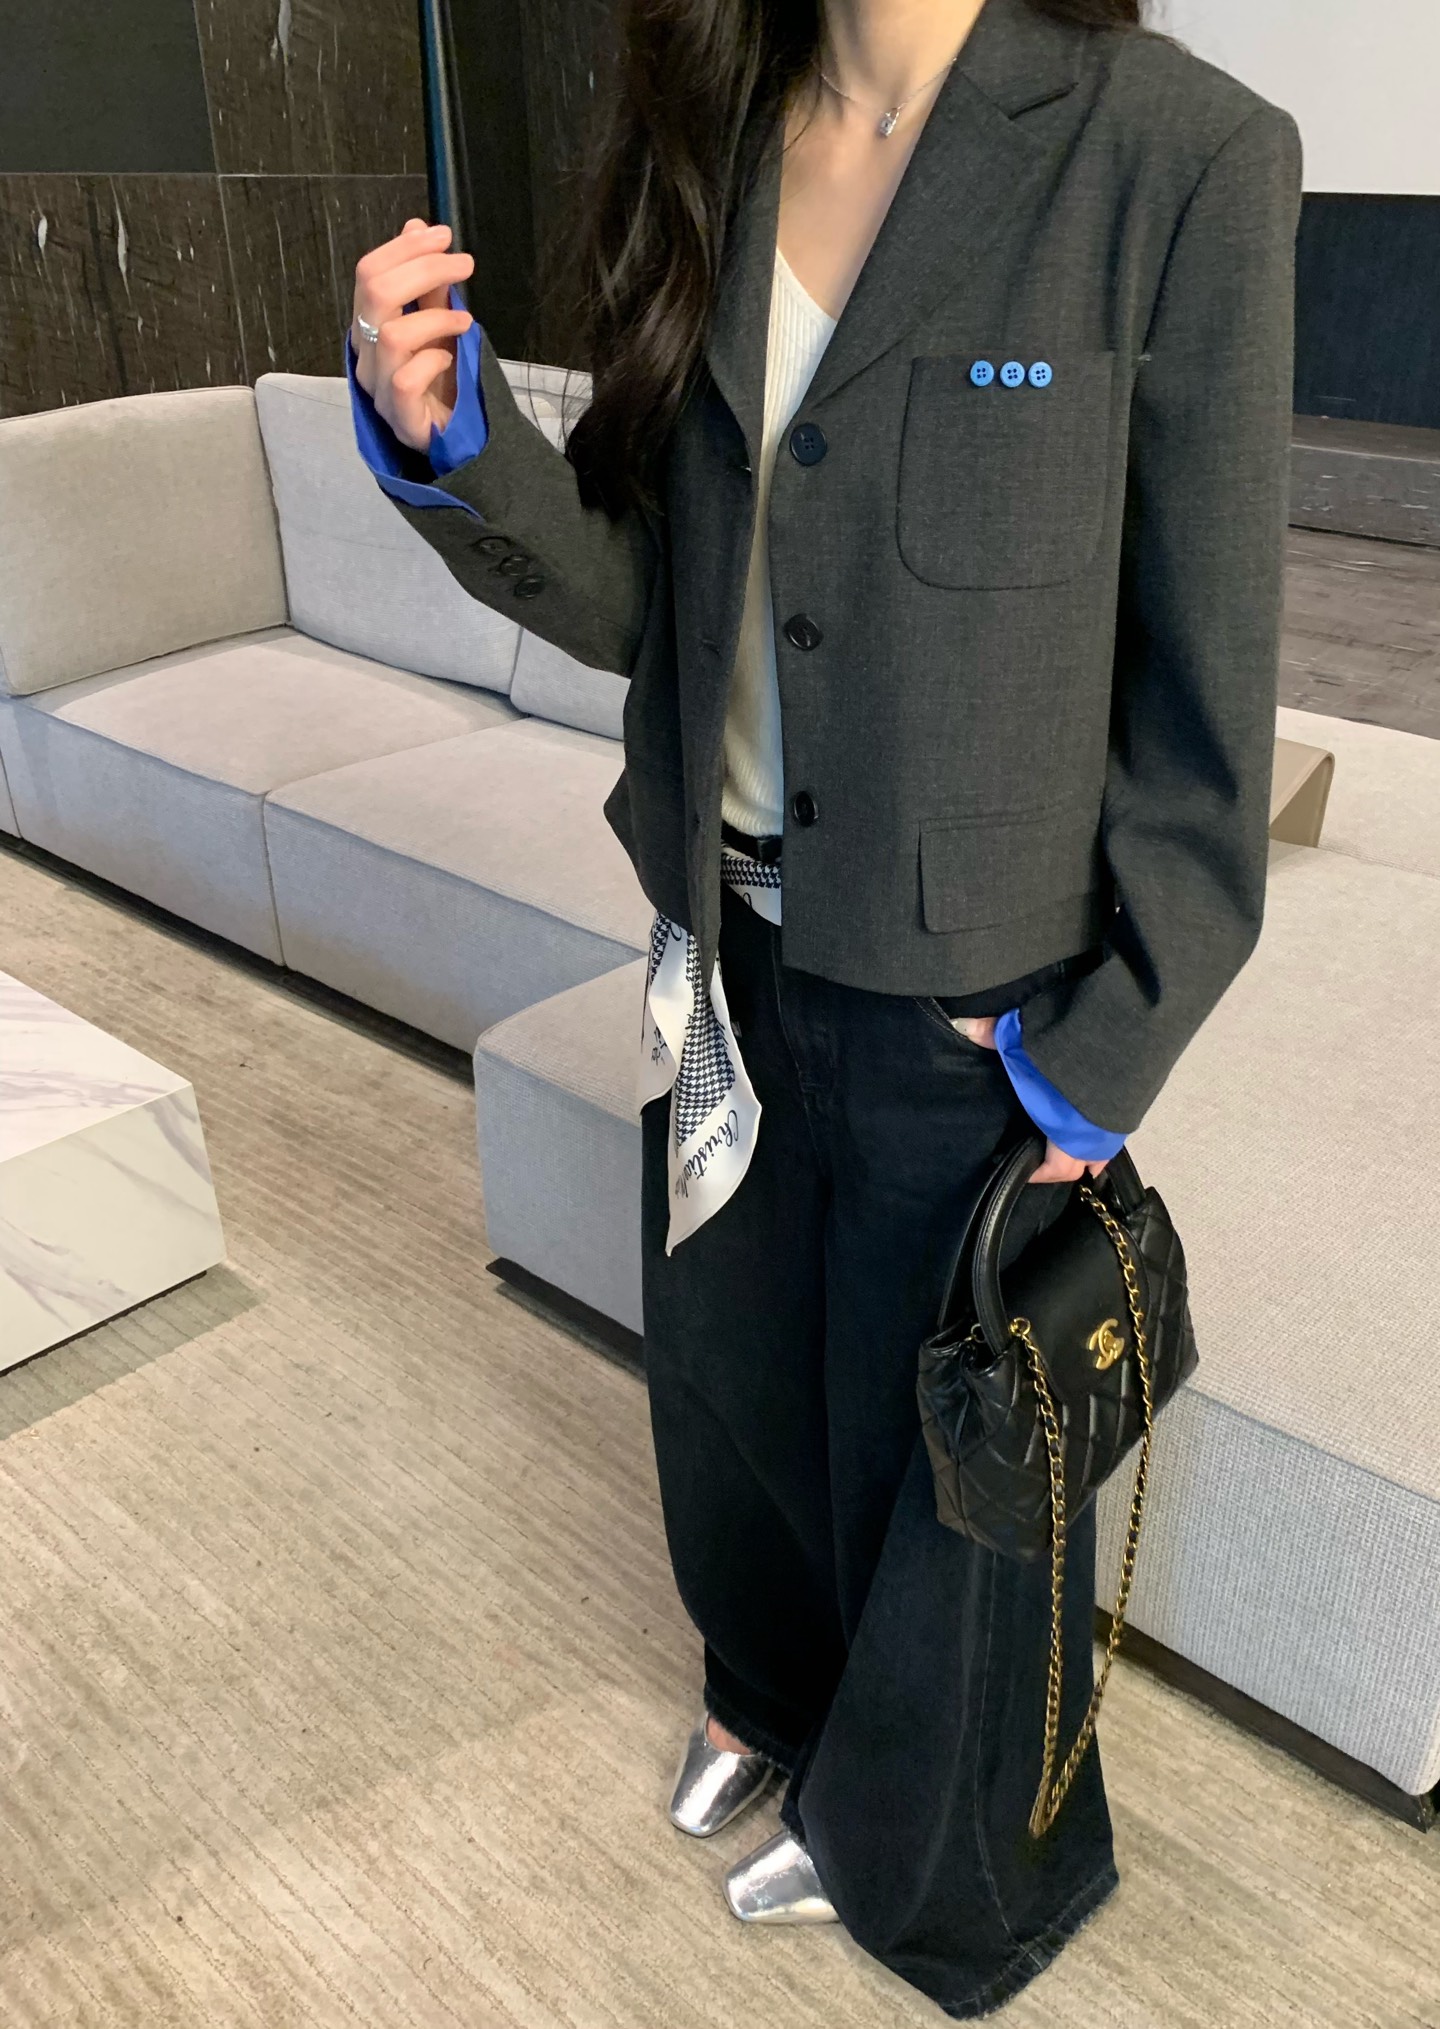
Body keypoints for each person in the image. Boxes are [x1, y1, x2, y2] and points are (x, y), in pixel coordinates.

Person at [345, 0, 1302, 2012]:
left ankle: (935, 1858)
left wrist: (1108, 1045)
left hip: (970, 993)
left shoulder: (1176, 154)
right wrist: (453, 444)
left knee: (948, 1466)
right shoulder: (716, 123)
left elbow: (1209, 681)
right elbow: (652, 601)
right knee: (733, 1380)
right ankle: (770, 1690)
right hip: (722, 936)